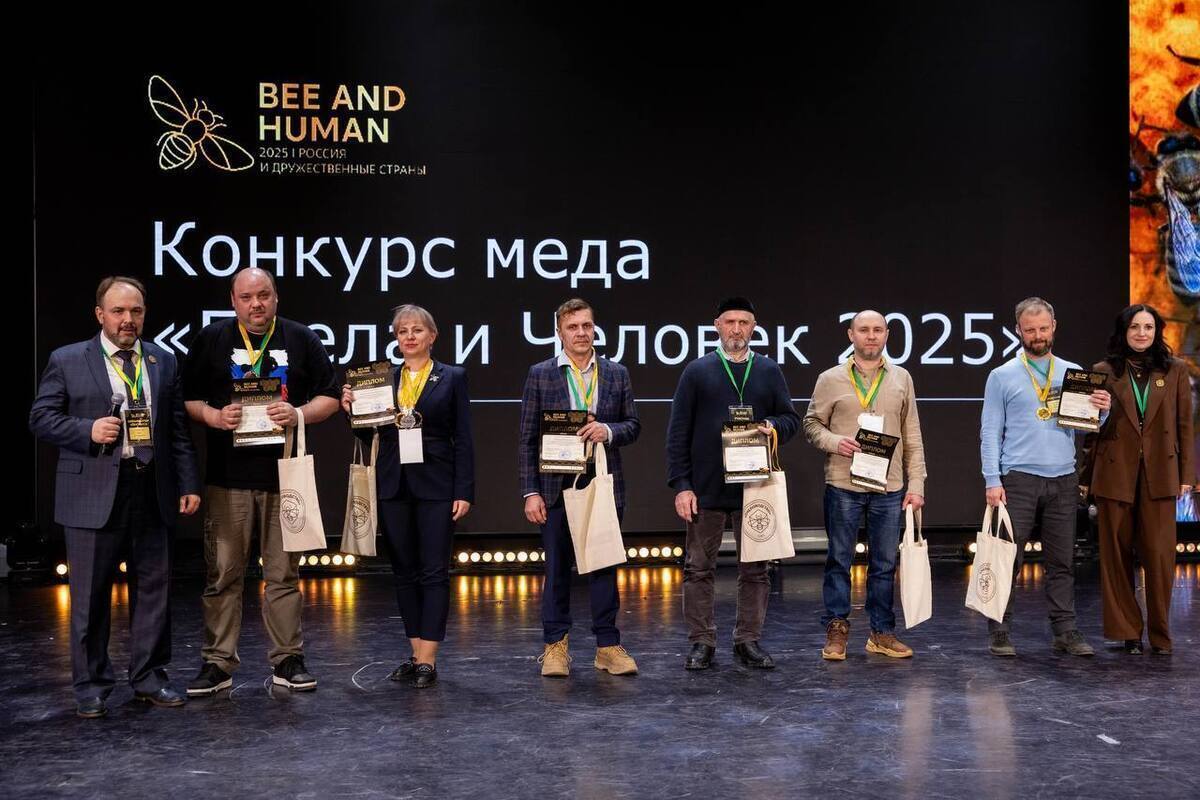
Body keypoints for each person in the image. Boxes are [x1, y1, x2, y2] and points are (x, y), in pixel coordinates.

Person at [29, 276, 200, 718]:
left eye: (136, 311)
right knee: (90, 596)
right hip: (92, 490)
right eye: (119, 311)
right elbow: (41, 418)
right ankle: (91, 686)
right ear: (100, 314)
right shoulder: (67, 359)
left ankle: (149, 677)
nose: (128, 319)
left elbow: (177, 432)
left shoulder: (163, 360)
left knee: (155, 591)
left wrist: (188, 484)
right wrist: (86, 429)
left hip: (152, 488)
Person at [181, 267, 340, 695]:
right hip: (227, 479)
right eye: (247, 297)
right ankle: (217, 664)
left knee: (284, 575)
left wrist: (298, 413)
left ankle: (288, 659)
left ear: (276, 297)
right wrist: (213, 416)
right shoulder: (211, 339)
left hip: (285, 477)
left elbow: (330, 396)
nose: (256, 304)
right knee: (222, 576)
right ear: (233, 301)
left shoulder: (301, 338)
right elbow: (186, 399)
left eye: (264, 295)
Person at [341, 304, 474, 687]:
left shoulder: (452, 377)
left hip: (438, 484)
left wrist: (464, 490)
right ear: (396, 339)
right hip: (393, 483)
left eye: (417, 330)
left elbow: (464, 437)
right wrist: (352, 410)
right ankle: (416, 654)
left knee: (433, 571)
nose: (410, 337)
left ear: (432, 336)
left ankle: (428, 658)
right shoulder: (382, 379)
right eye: (402, 331)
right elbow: (368, 432)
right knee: (403, 572)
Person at [666, 297, 801, 670]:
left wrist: (773, 426)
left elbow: (790, 418)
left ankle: (748, 640)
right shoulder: (697, 371)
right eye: (730, 322)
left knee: (756, 569)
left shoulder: (768, 370)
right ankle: (702, 642)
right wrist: (682, 485)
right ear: (717, 326)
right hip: (705, 487)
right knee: (698, 568)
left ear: (753, 327)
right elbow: (677, 433)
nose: (736, 329)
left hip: (754, 486)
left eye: (744, 322)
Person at [979, 297, 1110, 657]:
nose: (1037, 335)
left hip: (1063, 478)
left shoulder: (1072, 372)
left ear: (1054, 327)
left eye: (1043, 328)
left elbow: (1086, 426)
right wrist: (992, 479)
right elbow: (990, 432)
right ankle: (999, 630)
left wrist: (1102, 411)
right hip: (1018, 479)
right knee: (1007, 558)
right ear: (1018, 331)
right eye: (1030, 329)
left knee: (1062, 561)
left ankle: (1065, 630)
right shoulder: (1001, 376)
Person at [518, 298, 641, 677]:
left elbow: (633, 425)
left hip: (602, 481)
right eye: (573, 327)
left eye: (587, 326)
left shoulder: (616, 373)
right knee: (557, 569)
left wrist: (608, 430)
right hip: (554, 485)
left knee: (603, 566)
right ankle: (555, 646)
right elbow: (527, 438)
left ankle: (607, 646)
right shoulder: (541, 374)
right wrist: (530, 491)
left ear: (594, 329)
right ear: (559, 332)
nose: (581, 333)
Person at [802, 310, 927, 660]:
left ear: (886, 334)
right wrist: (834, 441)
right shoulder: (830, 379)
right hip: (843, 483)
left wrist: (916, 483)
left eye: (877, 330)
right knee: (839, 560)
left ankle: (882, 632)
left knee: (884, 564)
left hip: (889, 486)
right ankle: (837, 629)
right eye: (864, 330)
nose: (871, 336)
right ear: (851, 335)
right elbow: (811, 425)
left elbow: (913, 435)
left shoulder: (902, 378)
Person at [1081, 304, 1195, 655]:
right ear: (1124, 331)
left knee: (1159, 557)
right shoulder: (1102, 371)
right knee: (1115, 556)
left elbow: (1185, 426)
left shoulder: (1175, 370)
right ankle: (1128, 632)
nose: (1141, 333)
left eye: (1148, 327)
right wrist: (1086, 476)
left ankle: (1161, 635)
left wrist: (1187, 475)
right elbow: (1090, 429)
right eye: (1135, 327)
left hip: (1161, 473)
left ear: (1157, 331)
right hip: (1114, 472)